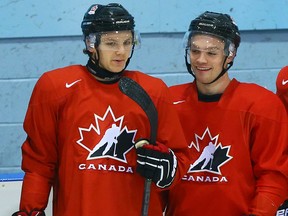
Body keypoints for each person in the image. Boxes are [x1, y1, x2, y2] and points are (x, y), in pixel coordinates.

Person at [12, 3, 190, 216]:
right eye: (111, 43)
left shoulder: (152, 91)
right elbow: (39, 163)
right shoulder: (55, 87)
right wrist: (31, 210)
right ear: (90, 43)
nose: (121, 51)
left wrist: (168, 168)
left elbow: (179, 160)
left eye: (127, 42)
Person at [165, 11, 288, 216]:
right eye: (195, 51)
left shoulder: (261, 104)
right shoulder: (169, 100)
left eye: (211, 53)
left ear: (230, 54)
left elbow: (273, 175)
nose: (201, 60)